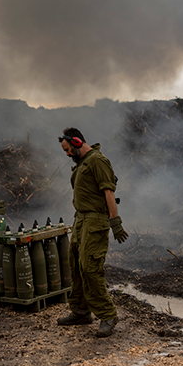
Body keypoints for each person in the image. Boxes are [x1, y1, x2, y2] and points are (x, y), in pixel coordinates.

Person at [56, 127, 128, 337]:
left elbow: (109, 192)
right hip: (81, 220)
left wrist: (115, 223)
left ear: (77, 142)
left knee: (90, 267)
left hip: (95, 221)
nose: (68, 154)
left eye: (68, 149)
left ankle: (108, 315)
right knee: (77, 267)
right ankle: (80, 312)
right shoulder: (82, 164)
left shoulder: (97, 160)